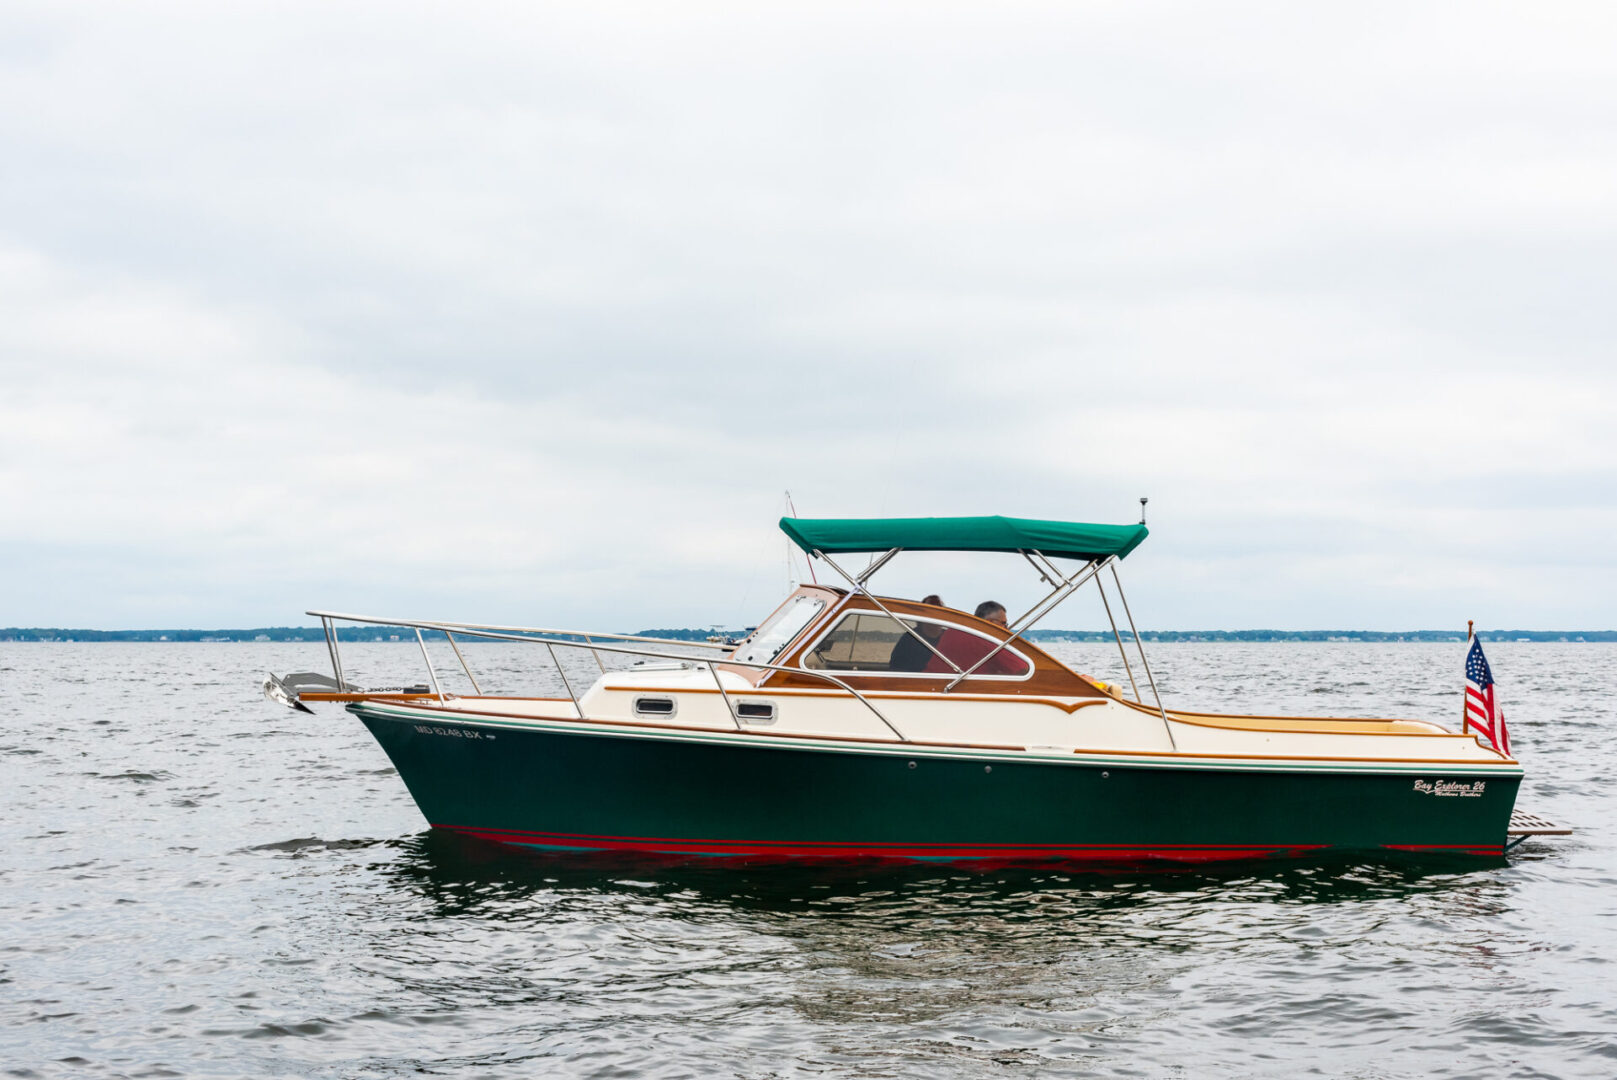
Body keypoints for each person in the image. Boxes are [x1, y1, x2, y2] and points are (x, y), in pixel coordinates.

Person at [923, 600, 1027, 676]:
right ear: (989, 622)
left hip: (931, 686)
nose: (1006, 629)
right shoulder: (986, 638)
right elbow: (1024, 670)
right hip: (960, 693)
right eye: (1003, 624)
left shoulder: (952, 631)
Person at [887, 594, 946, 671]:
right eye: (931, 611)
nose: (936, 615)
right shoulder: (910, 639)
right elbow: (896, 669)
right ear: (922, 616)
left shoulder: (949, 637)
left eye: (939, 611)